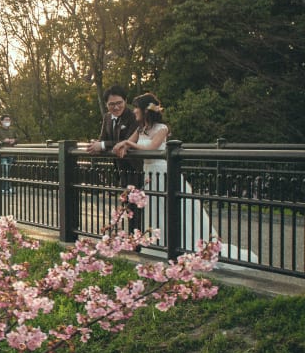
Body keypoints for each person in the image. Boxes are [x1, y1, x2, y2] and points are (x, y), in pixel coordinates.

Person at [114, 93, 257, 263]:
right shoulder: (140, 129)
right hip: (149, 174)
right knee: (155, 210)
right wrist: (123, 144)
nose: (134, 110)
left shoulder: (162, 128)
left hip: (163, 173)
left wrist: (128, 144)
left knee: (171, 209)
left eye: (136, 107)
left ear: (145, 110)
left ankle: (180, 246)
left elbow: (151, 147)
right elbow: (129, 143)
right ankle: (160, 245)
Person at [86, 86, 141, 231]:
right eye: (111, 104)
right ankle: (132, 239)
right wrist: (96, 145)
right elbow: (102, 139)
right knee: (127, 205)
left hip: (136, 168)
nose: (116, 107)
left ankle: (136, 242)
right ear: (106, 104)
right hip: (120, 168)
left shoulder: (134, 117)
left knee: (136, 206)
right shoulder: (107, 118)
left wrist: (102, 145)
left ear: (125, 101)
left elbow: (128, 141)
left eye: (119, 103)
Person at [0, 114, 17, 194]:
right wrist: (3, 141)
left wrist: (14, 140)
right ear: (2, 121)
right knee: (5, 170)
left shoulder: (12, 130)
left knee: (8, 172)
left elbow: (18, 138)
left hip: (10, 153)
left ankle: (7, 188)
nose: (8, 121)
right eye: (6, 120)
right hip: (2, 154)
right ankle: (5, 188)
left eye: (9, 120)